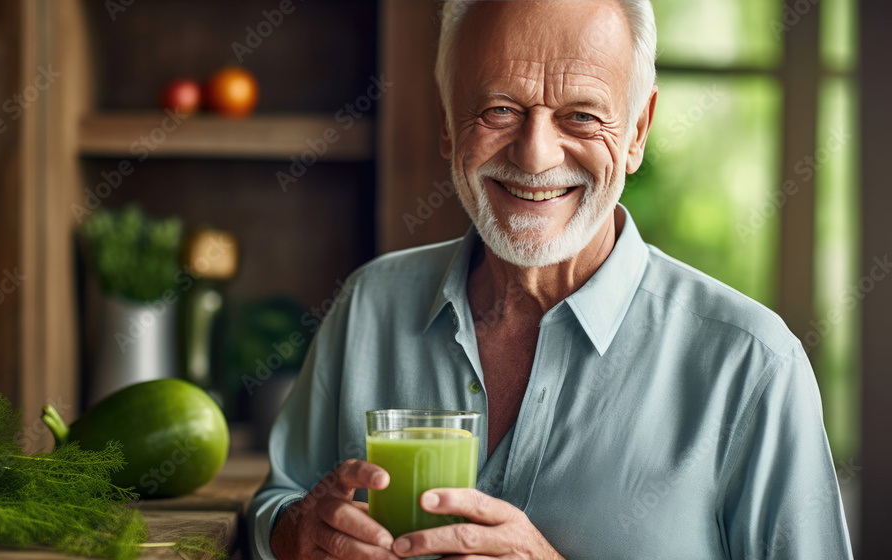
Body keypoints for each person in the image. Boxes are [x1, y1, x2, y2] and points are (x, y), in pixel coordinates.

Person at [250, 1, 855, 558]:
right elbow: (279, 503)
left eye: (583, 116)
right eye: (499, 110)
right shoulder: (370, 303)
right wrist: (295, 531)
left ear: (638, 130)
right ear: (446, 122)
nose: (535, 155)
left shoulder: (752, 365)